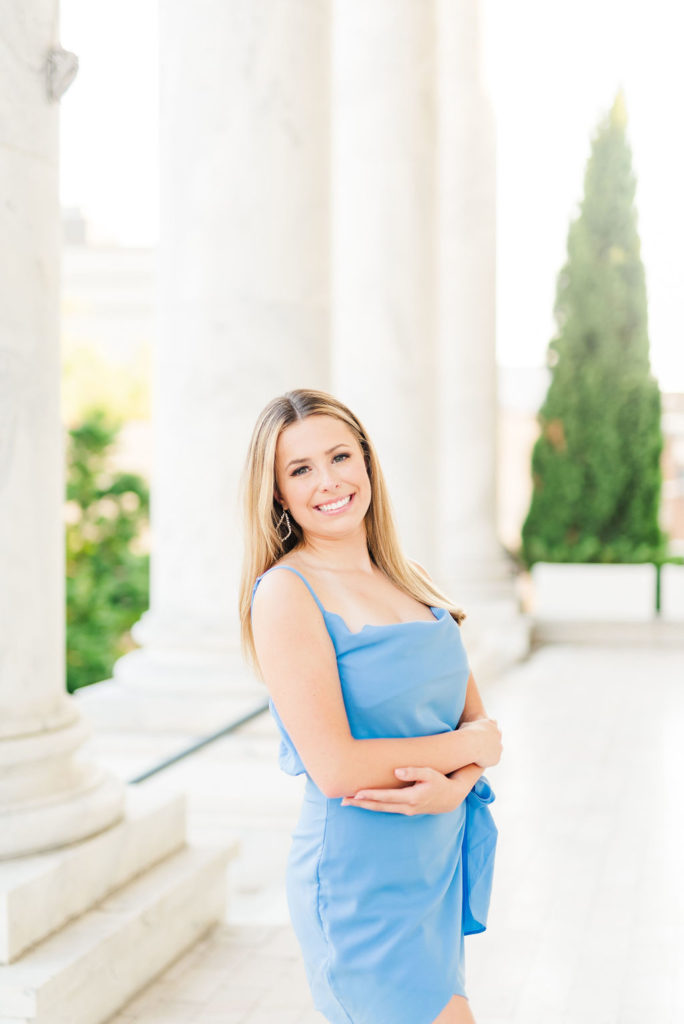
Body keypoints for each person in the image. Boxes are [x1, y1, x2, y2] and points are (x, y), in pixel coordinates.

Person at [239, 388, 503, 1024]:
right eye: (300, 469)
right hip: (361, 881)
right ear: (277, 492)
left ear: (367, 462)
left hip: (433, 866)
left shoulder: (406, 576)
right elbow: (333, 766)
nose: (328, 481)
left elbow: (476, 727)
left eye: (340, 456)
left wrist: (456, 785)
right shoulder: (285, 592)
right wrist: (468, 754)